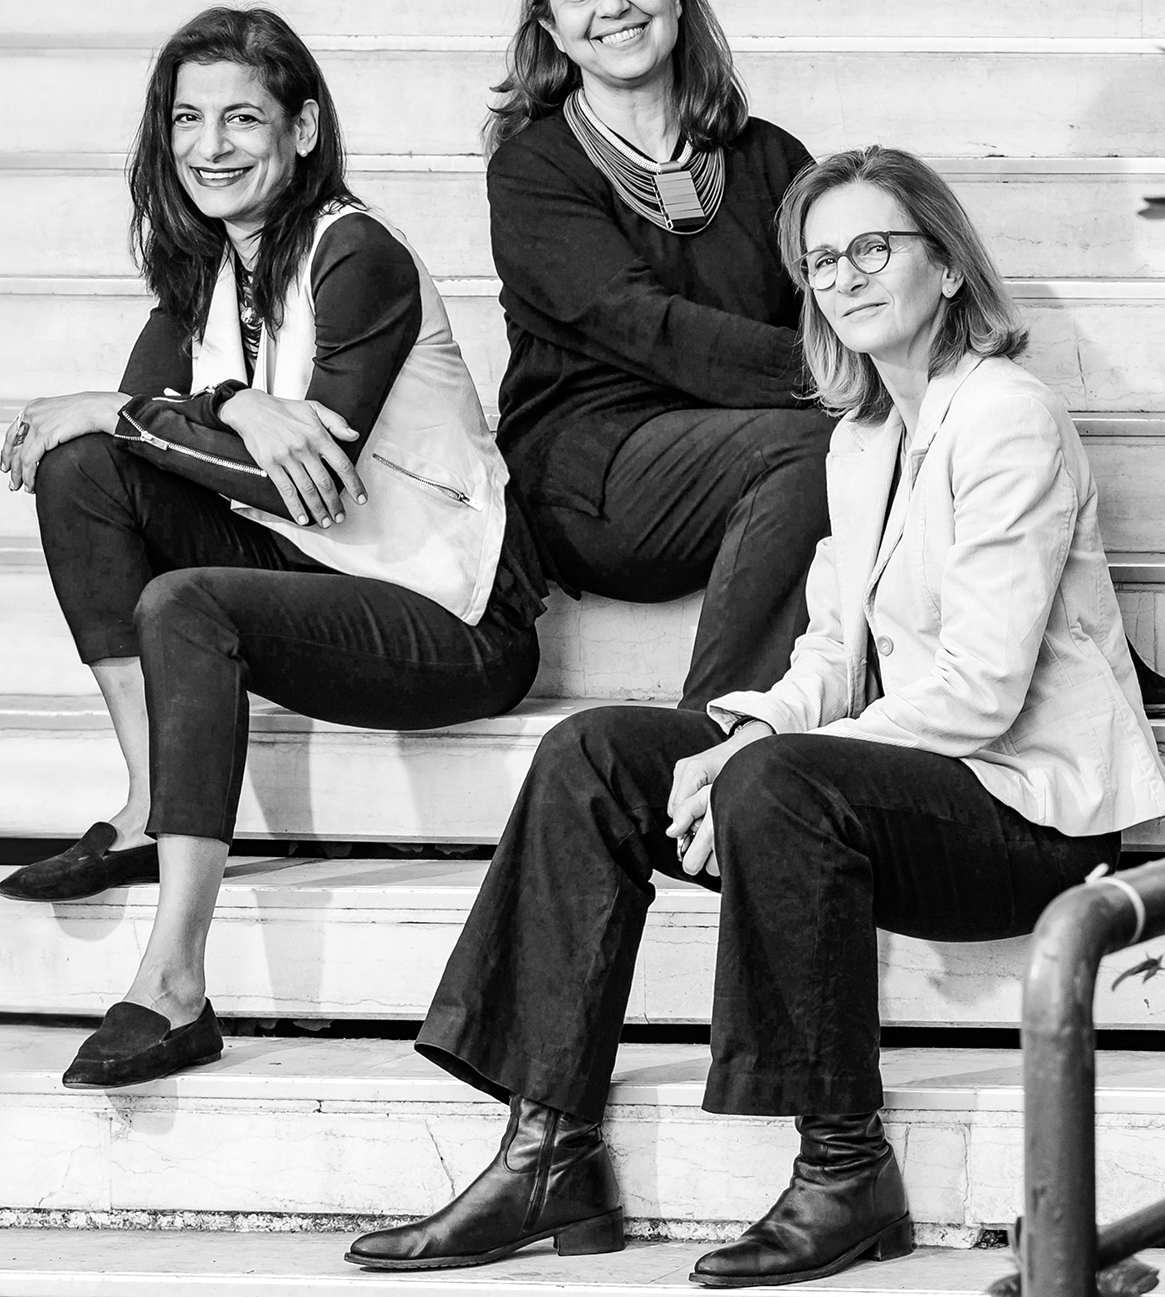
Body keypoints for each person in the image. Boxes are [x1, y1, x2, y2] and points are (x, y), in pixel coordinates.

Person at [346, 146, 1165, 1285]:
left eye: (872, 247)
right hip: (910, 790)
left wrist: (759, 756)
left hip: (1029, 819)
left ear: (945, 265)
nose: (844, 276)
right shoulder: (862, 438)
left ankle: (844, 1170)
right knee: (594, 751)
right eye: (821, 262)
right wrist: (746, 729)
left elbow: (981, 689)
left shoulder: (1005, 418)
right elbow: (829, 653)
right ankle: (547, 1149)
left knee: (776, 778)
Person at [0, 7, 544, 1088]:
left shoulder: (358, 255)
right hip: (316, 575)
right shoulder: (207, 269)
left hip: (449, 615)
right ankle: (150, 803)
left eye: (241, 118)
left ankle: (174, 983)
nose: (210, 146)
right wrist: (225, 403)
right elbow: (132, 434)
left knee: (184, 597)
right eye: (187, 119)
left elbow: (307, 483)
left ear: (301, 130)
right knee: (83, 471)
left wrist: (187, 409)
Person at [485, 0, 832, 710]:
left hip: (746, 454)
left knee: (981, 421)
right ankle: (710, 734)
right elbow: (644, 327)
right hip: (594, 474)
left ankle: (1074, 686)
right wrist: (839, 376)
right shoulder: (534, 170)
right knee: (823, 441)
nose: (611, 5)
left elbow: (834, 305)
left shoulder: (770, 158)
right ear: (552, 30)